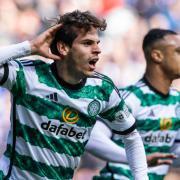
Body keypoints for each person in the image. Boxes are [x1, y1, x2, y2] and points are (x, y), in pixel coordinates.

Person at [0, 10, 148, 180]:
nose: (98, 50)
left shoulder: (102, 90)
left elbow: (131, 137)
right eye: (87, 43)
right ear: (63, 47)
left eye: (97, 43)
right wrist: (30, 47)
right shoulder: (28, 76)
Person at [86, 28, 180, 180]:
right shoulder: (130, 98)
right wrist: (137, 159)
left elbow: (174, 149)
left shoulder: (177, 101)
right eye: (178, 51)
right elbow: (91, 139)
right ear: (157, 55)